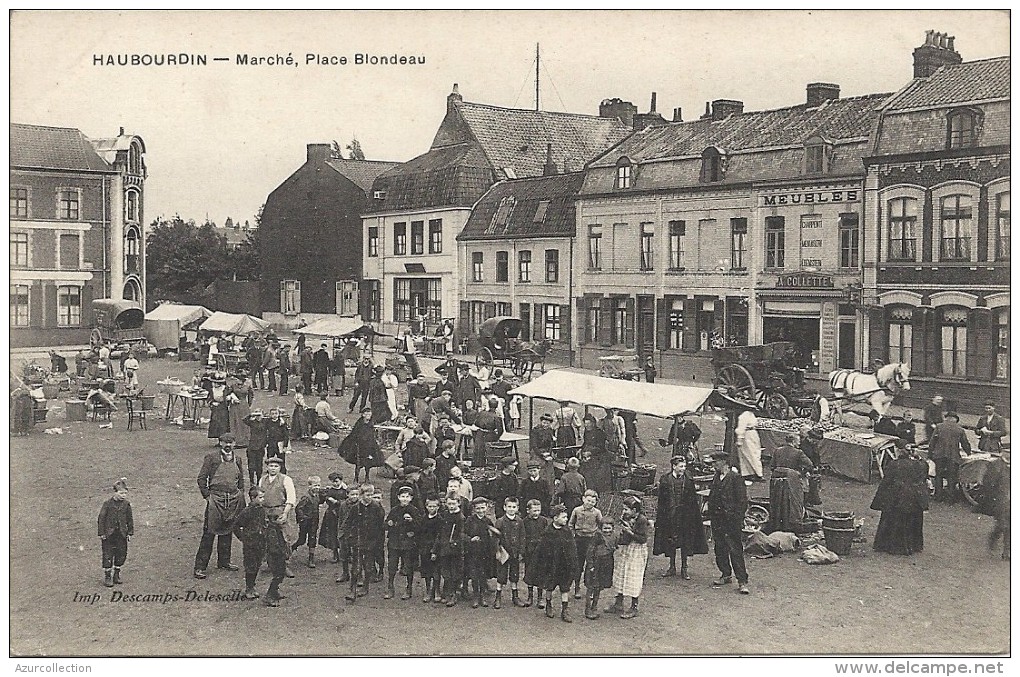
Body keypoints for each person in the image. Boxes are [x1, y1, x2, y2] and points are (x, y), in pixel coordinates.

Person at [194, 434, 245, 579]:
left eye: (231, 442)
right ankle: (200, 567)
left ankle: (224, 561)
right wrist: (207, 496)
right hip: (215, 499)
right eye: (225, 442)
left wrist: (240, 494)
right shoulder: (212, 458)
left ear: (234, 444)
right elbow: (201, 479)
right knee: (209, 531)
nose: (228, 445)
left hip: (233, 499)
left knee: (228, 529)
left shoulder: (238, 459)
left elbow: (241, 480)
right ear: (220, 443)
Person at [653, 455, 709, 579]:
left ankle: (684, 568)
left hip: (685, 517)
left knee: (685, 542)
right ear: (674, 466)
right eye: (681, 466)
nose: (683, 469)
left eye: (684, 466)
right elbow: (661, 500)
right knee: (670, 541)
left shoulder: (688, 480)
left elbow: (693, 500)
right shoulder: (665, 480)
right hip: (670, 516)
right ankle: (672, 567)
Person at [871, 442, 929, 556]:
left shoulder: (894, 464)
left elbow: (886, 482)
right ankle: (914, 545)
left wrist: (880, 500)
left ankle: (890, 545)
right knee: (913, 521)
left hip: (897, 498)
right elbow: (925, 471)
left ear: (898, 451)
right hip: (915, 498)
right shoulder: (920, 465)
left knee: (893, 520)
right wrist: (918, 458)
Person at [706, 449, 750, 595]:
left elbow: (742, 501)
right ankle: (725, 574)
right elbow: (713, 496)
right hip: (717, 520)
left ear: (723, 462)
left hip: (731, 521)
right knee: (720, 548)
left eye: (715, 462)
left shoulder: (735, 478)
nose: (713, 465)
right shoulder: (716, 477)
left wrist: (737, 518)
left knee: (735, 549)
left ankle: (742, 581)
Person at [604, 496, 651, 618]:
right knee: (621, 574)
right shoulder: (626, 517)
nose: (624, 511)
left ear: (635, 510)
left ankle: (634, 607)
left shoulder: (642, 520)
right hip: (626, 549)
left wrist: (629, 531)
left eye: (627, 509)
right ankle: (618, 603)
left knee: (633, 577)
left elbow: (642, 539)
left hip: (636, 550)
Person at [533, 504, 578, 622]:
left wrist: (572, 563)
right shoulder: (548, 532)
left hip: (564, 566)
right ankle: (548, 605)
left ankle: (565, 610)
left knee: (565, 588)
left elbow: (572, 548)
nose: (566, 519)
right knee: (549, 587)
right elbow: (541, 550)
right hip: (551, 566)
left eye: (566, 517)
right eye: (563, 517)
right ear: (555, 518)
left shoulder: (567, 531)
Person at [342, 483, 386, 603]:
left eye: (371, 495)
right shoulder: (355, 508)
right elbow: (347, 523)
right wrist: (349, 537)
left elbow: (381, 524)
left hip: (371, 542)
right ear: (361, 495)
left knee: (368, 566)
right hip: (358, 541)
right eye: (367, 495)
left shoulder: (377, 507)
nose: (370, 497)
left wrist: (377, 540)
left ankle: (365, 587)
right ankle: (352, 590)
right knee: (356, 567)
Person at [258, 455, 299, 582]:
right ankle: (269, 563)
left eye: (276, 466)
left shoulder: (286, 480)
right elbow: (259, 496)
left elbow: (291, 498)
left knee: (283, 539)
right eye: (271, 466)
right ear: (267, 467)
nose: (273, 468)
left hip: (280, 511)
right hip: (266, 512)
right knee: (266, 538)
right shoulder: (262, 480)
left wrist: (285, 513)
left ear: (280, 468)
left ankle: (285, 565)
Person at [769, 433, 815, 532]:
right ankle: (791, 524)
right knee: (793, 502)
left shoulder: (778, 450)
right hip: (791, 481)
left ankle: (776, 523)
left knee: (777, 502)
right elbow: (810, 465)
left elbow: (772, 466)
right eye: (798, 441)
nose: (799, 443)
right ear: (793, 442)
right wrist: (801, 472)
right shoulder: (798, 453)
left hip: (776, 480)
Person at [384, 486, 421, 600]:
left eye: (407, 497)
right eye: (402, 497)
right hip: (394, 543)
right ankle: (390, 587)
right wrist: (389, 524)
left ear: (411, 498)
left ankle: (408, 588)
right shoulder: (394, 510)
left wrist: (412, 523)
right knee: (392, 566)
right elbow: (386, 524)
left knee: (408, 567)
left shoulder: (414, 510)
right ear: (398, 497)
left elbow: (420, 526)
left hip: (408, 544)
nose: (405, 499)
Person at [233, 486, 269, 600]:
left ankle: (252, 587)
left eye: (263, 497)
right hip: (250, 544)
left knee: (257, 564)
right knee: (250, 566)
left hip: (260, 542)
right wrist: (243, 538)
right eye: (260, 497)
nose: (263, 500)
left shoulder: (262, 510)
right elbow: (236, 526)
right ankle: (249, 588)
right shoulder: (247, 512)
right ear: (253, 498)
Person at [928, 412, 972, 503]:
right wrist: (968, 453)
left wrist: (930, 454)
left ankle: (938, 496)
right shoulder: (960, 429)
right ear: (955, 419)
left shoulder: (939, 427)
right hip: (953, 456)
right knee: (951, 477)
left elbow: (932, 441)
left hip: (939, 455)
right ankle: (950, 498)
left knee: (938, 475)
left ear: (946, 418)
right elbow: (965, 443)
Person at [568, 489, 603, 599]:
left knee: (591, 565)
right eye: (588, 501)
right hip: (578, 540)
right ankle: (577, 587)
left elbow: (601, 525)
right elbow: (570, 524)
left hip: (591, 541)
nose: (590, 503)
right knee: (578, 565)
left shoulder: (597, 513)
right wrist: (573, 535)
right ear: (583, 499)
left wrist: (597, 537)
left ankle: (590, 588)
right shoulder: (577, 510)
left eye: (593, 502)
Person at [98, 478, 133, 587]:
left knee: (121, 554)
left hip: (121, 534)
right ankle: (108, 576)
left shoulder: (126, 505)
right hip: (109, 535)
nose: (123, 495)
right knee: (108, 554)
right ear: (115, 492)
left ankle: (116, 575)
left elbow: (129, 519)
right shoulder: (107, 504)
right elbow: (101, 518)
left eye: (125, 493)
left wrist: (130, 532)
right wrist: (102, 533)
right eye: (121, 493)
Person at [464, 497, 498, 609]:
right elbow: (463, 534)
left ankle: (482, 596)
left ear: (487, 508)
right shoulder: (470, 520)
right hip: (473, 553)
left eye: (483, 508)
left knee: (483, 575)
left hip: (485, 553)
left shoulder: (488, 521)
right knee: (474, 575)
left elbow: (494, 536)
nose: (480, 510)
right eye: (478, 508)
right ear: (474, 509)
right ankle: (475, 595)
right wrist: (470, 539)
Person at [494, 497, 528, 609]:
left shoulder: (519, 521)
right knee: (501, 575)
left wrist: (521, 552)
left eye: (514, 507)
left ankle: (515, 597)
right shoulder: (500, 521)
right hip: (504, 553)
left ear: (517, 508)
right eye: (509, 507)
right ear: (504, 507)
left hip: (515, 552)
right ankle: (497, 597)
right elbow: (496, 538)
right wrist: (498, 551)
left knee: (514, 575)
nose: (511, 509)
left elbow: (523, 537)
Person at [583, 518, 617, 620]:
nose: (607, 531)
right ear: (600, 528)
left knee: (599, 587)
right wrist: (591, 565)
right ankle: (588, 609)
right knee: (591, 587)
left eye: (609, 528)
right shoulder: (597, 537)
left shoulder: (613, 537)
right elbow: (590, 551)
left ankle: (594, 607)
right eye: (605, 528)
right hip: (596, 565)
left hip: (606, 565)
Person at [437, 494, 466, 607]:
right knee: (446, 570)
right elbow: (441, 532)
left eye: (453, 503)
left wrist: (455, 542)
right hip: (445, 547)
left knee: (455, 571)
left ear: (458, 503)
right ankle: (447, 592)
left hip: (455, 549)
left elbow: (461, 534)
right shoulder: (445, 515)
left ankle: (454, 594)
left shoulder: (461, 518)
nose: (451, 506)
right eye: (449, 504)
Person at [339, 408, 383, 483]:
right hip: (359, 446)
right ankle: (356, 478)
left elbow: (372, 435)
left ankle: (367, 477)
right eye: (366, 414)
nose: (368, 416)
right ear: (363, 415)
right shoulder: (359, 424)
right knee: (358, 463)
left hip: (369, 446)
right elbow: (354, 434)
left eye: (369, 414)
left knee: (368, 462)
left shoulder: (371, 424)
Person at [522, 498, 551, 608]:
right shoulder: (524, 521)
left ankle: (540, 598)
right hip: (529, 551)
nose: (536, 513)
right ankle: (530, 597)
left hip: (541, 552)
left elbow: (546, 535)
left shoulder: (543, 521)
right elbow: (523, 536)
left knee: (541, 573)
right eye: (534, 511)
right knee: (529, 573)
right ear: (528, 510)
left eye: (538, 510)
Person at [984, 448, 1011, 560]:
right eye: (1008, 452)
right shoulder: (995, 465)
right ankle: (994, 537)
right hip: (1000, 501)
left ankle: (1007, 552)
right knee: (1003, 525)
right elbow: (988, 483)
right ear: (1003, 452)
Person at [292, 476, 324, 568]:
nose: (317, 487)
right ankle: (291, 549)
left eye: (318, 485)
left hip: (314, 521)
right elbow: (299, 508)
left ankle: (311, 558)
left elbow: (320, 502)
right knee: (301, 540)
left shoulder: (317, 495)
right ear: (309, 486)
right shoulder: (306, 497)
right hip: (306, 522)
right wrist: (302, 518)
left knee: (312, 538)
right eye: (315, 485)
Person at [418, 496, 444, 603]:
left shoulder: (440, 520)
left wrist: (435, 550)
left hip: (435, 548)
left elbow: (440, 536)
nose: (432, 508)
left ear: (438, 507)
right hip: (425, 548)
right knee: (426, 571)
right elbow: (420, 533)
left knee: (436, 571)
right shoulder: (423, 519)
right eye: (429, 506)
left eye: (434, 506)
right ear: (426, 506)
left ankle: (437, 590)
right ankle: (428, 590)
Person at [318, 472, 348, 564]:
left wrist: (336, 501)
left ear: (341, 481)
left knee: (344, 533)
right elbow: (321, 498)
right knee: (332, 534)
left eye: (337, 481)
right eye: (333, 482)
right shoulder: (329, 491)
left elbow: (347, 500)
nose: (335, 484)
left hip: (342, 514)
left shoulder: (344, 491)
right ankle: (335, 554)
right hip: (331, 515)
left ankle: (346, 554)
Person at [579, 417, 613, 494]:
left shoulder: (600, 433)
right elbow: (585, 443)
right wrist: (581, 449)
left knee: (597, 478)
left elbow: (601, 447)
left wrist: (590, 452)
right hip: (589, 457)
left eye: (588, 423)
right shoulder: (586, 432)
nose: (586, 425)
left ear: (593, 423)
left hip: (600, 458)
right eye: (585, 423)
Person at [472, 397, 505, 468]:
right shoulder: (496, 416)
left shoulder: (482, 413)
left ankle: (477, 466)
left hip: (480, 434)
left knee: (478, 451)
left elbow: (476, 423)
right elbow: (500, 430)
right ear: (496, 406)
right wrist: (496, 437)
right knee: (487, 451)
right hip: (489, 435)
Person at [734, 409, 763, 481]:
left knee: (749, 454)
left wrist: (739, 440)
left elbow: (741, 428)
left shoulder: (743, 416)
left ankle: (756, 473)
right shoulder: (751, 415)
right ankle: (751, 473)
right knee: (754, 453)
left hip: (747, 435)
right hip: (752, 434)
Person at [242, 409, 268, 486]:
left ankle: (259, 480)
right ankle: (251, 481)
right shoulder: (252, 422)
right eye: (256, 414)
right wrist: (251, 415)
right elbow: (244, 420)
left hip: (260, 447)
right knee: (251, 466)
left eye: (259, 414)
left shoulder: (265, 422)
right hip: (252, 447)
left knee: (259, 465)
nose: (258, 416)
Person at [265, 408, 290, 475]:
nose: (274, 415)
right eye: (272, 414)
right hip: (271, 444)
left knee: (281, 459)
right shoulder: (268, 422)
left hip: (280, 443)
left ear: (278, 414)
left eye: (276, 413)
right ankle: (270, 472)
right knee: (270, 458)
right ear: (270, 415)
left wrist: (285, 446)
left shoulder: (281, 423)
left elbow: (286, 435)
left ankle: (283, 473)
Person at [206, 373, 231, 442]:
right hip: (215, 408)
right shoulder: (212, 390)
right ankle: (219, 440)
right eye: (213, 383)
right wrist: (212, 403)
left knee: (223, 424)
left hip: (223, 408)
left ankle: (224, 439)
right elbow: (209, 398)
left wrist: (227, 399)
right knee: (216, 423)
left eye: (215, 383)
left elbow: (230, 395)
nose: (213, 384)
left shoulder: (225, 388)